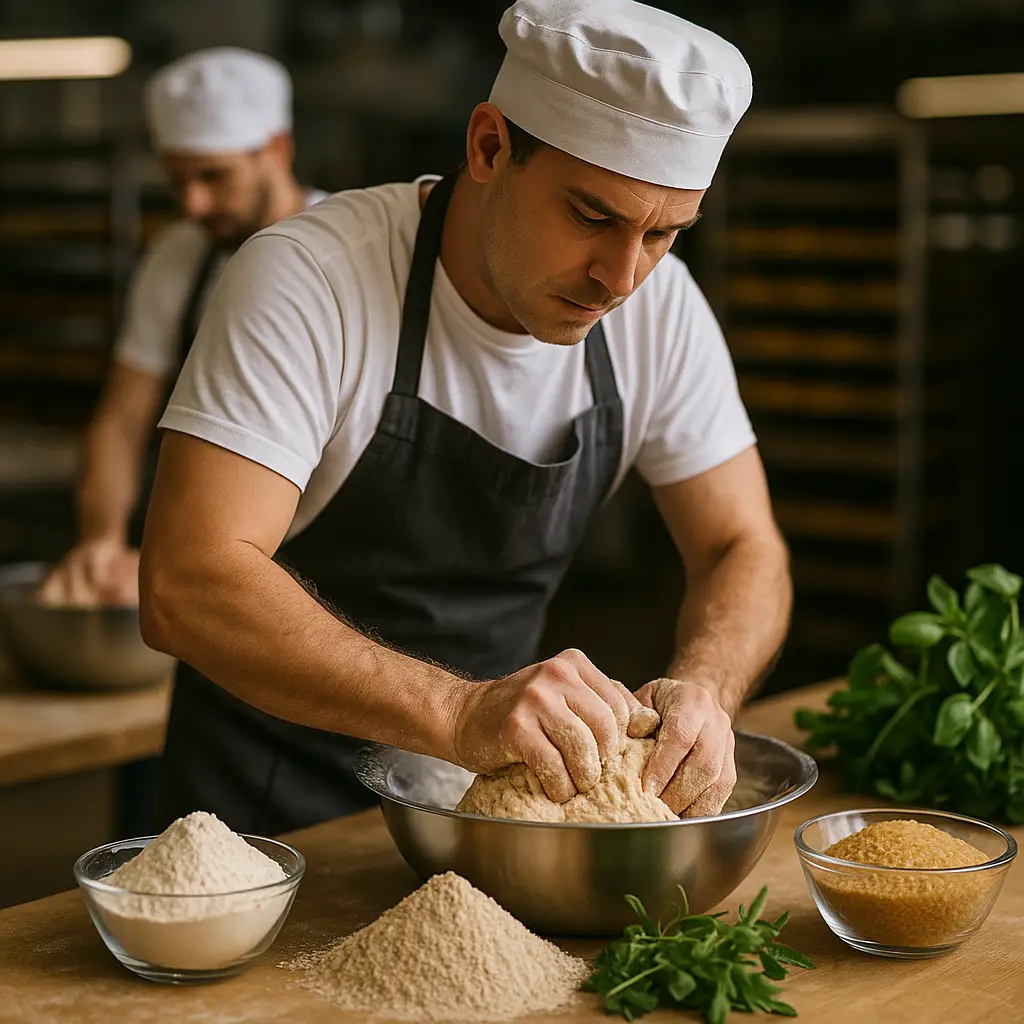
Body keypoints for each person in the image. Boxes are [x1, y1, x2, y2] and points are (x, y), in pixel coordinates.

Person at [139, 0, 792, 836]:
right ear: (489, 146)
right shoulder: (311, 281)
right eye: (593, 216)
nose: (621, 278)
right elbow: (186, 580)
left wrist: (709, 685)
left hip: (485, 823)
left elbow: (744, 545)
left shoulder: (660, 312)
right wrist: (458, 713)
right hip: (267, 824)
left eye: (664, 234)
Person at [40, 47, 328, 607]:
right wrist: (102, 543)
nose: (194, 204)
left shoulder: (344, 249)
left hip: (331, 574)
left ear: (276, 149)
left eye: (214, 176)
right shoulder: (180, 254)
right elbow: (122, 421)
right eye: (178, 182)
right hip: (210, 569)